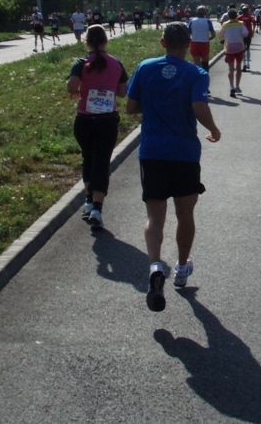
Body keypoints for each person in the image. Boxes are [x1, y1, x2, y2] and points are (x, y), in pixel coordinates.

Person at [125, 22, 221, 312]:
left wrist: (156, 105)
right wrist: (214, 129)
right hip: (184, 154)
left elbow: (131, 107)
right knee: (185, 214)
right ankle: (180, 268)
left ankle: (155, 265)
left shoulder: (145, 67)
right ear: (190, 44)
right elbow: (199, 107)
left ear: (162, 42)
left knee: (155, 218)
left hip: (152, 152)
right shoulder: (196, 73)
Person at [67, 25, 129, 230]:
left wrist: (83, 90)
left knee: (88, 159)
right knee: (102, 163)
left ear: (87, 41)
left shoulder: (81, 63)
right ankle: (96, 208)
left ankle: (88, 201)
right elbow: (122, 93)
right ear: (105, 41)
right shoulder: (116, 63)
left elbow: (71, 87)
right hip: (107, 121)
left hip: (84, 120)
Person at [219, 8, 248, 98]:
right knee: (238, 67)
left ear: (228, 16)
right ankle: (237, 86)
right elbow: (245, 33)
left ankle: (231, 86)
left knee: (231, 69)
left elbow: (221, 37)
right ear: (236, 15)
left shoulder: (225, 24)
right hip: (239, 47)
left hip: (229, 47)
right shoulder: (241, 23)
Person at [187, 6, 216, 75]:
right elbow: (213, 34)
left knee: (196, 62)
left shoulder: (192, 21)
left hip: (194, 43)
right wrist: (209, 38)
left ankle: (197, 77)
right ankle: (205, 75)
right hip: (204, 43)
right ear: (205, 12)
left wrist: (191, 39)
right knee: (205, 62)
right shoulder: (208, 21)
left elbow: (187, 33)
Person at [236, 5, 256, 70]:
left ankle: (244, 63)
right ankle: (248, 63)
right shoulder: (250, 17)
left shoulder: (239, 17)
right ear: (248, 10)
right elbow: (254, 23)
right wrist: (253, 31)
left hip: (241, 35)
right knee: (248, 48)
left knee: (243, 49)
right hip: (248, 34)